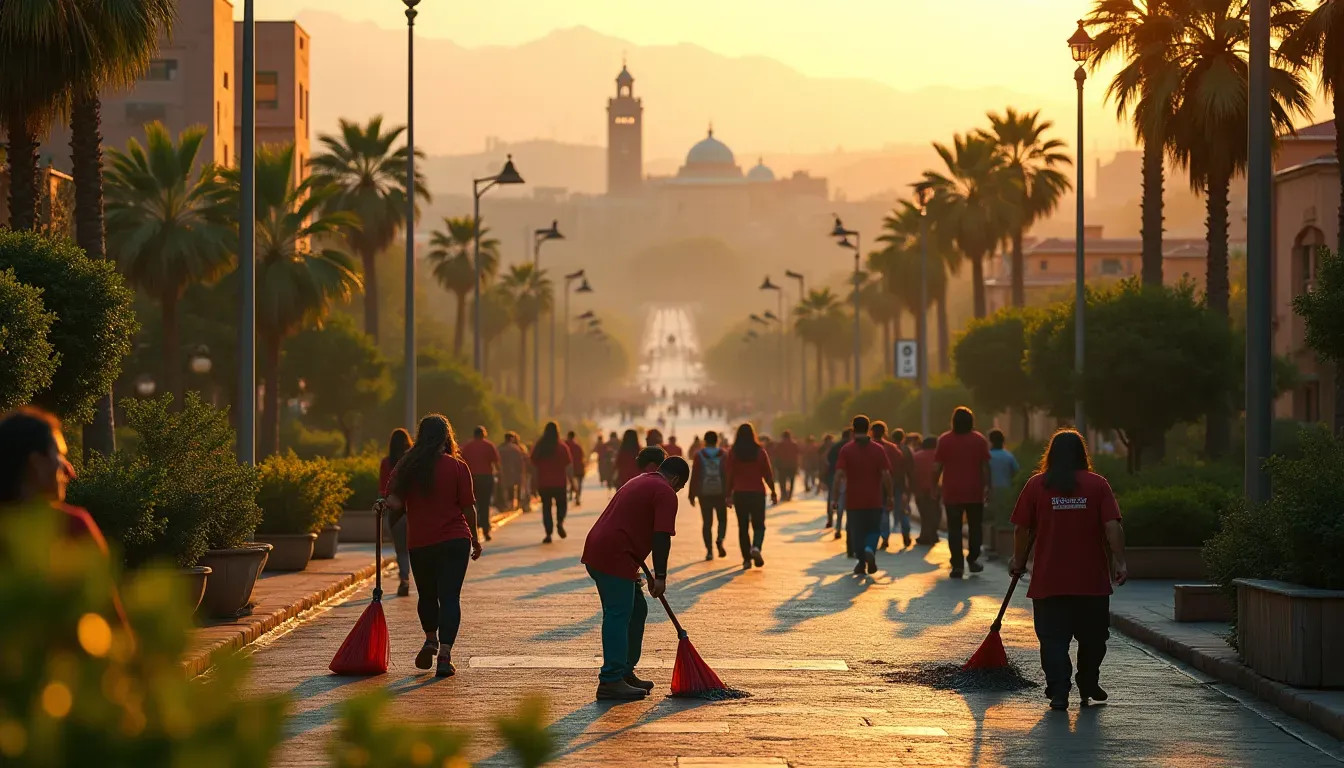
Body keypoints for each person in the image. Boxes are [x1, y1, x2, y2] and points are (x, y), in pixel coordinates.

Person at [1009, 429, 1128, 711]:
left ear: (1051, 454)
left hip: (1049, 581)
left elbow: (1021, 528)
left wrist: (1018, 560)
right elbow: (1113, 527)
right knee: (1094, 639)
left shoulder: (1037, 485)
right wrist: (1120, 561)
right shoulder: (1098, 485)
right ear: (1082, 454)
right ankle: (1088, 683)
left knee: (1052, 640)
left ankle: (1059, 691)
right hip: (1091, 582)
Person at [1, 407, 130, 632]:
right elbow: (113, 626)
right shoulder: (70, 527)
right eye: (58, 455)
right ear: (36, 464)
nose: (69, 470)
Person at [582, 456, 690, 701]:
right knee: (619, 613)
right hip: (613, 555)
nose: (677, 492)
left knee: (637, 609)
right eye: (680, 487)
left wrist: (646, 572)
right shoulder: (664, 492)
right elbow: (661, 536)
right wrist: (660, 577)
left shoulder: (643, 480)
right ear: (675, 479)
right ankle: (610, 680)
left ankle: (625, 671)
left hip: (611, 551)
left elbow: (635, 526)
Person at [385, 414, 483, 677]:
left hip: (421, 542)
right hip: (454, 541)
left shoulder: (407, 466)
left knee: (427, 595)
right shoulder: (458, 467)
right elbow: (468, 508)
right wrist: (475, 538)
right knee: (450, 597)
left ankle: (430, 638)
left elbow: (394, 502)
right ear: (446, 437)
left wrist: (383, 504)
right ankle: (445, 655)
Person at [934, 406, 992, 578]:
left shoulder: (944, 440)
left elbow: (937, 466)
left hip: (951, 492)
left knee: (954, 529)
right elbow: (985, 466)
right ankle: (973, 559)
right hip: (974, 491)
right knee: (975, 527)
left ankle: (957, 565)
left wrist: (932, 486)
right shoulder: (979, 440)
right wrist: (988, 486)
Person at [834, 415, 893, 575]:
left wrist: (834, 498)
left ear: (853, 429)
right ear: (868, 429)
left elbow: (839, 474)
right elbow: (886, 474)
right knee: (874, 529)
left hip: (853, 501)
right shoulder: (878, 449)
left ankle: (861, 561)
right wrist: (890, 495)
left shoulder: (846, 450)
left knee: (856, 532)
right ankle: (869, 550)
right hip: (874, 499)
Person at [725, 422, 777, 570]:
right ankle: (756, 547)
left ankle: (747, 560)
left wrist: (728, 494)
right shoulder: (760, 452)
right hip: (757, 493)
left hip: (740, 493)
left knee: (743, 527)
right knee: (759, 524)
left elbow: (729, 475)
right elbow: (768, 474)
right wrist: (773, 491)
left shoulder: (733, 452)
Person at [380, 428, 416, 596]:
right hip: (415, 510)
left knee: (401, 550)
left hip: (395, 511)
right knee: (417, 548)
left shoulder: (386, 463)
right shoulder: (413, 462)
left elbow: (383, 490)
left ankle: (404, 579)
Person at [687, 430, 730, 561]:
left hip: (704, 493)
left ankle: (709, 551)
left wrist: (691, 494)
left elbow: (695, 476)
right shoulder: (724, 454)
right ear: (717, 440)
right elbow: (728, 475)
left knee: (707, 522)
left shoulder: (699, 455)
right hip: (720, 493)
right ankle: (720, 539)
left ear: (704, 441)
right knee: (722, 519)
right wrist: (729, 493)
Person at [872, 422, 914, 549]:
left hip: (879, 485)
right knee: (902, 510)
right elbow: (906, 467)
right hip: (898, 482)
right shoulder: (893, 448)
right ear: (885, 432)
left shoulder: (870, 447)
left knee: (884, 511)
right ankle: (905, 534)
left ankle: (885, 538)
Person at [531, 422, 575, 544]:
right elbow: (568, 468)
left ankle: (548, 533)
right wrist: (572, 483)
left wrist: (533, 484)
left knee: (546, 508)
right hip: (559, 483)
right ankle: (560, 522)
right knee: (562, 505)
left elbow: (534, 468)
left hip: (543, 483)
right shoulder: (562, 447)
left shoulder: (539, 447)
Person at [460, 426, 501, 544]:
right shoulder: (489, 446)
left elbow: (461, 461)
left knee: (472, 504)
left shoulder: (467, 446)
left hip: (471, 478)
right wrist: (499, 474)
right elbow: (496, 462)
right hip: (486, 478)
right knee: (485, 504)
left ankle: (473, 530)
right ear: (484, 434)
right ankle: (486, 531)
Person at [912, 435, 941, 545]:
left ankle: (924, 535)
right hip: (936, 488)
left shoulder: (916, 456)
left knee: (924, 513)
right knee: (935, 511)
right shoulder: (938, 455)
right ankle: (932, 534)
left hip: (919, 488)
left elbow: (912, 473)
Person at [826, 429, 852, 546]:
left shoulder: (836, 446)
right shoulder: (851, 447)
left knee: (837, 502)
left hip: (835, 475)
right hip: (849, 477)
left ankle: (836, 525)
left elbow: (828, 460)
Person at [988, 428, 1020, 509]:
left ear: (990, 441)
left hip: (991, 490)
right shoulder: (1008, 456)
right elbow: (1016, 472)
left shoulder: (987, 456)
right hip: (1006, 489)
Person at [499, 432, 526, 511]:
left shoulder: (500, 448)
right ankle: (517, 504)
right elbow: (520, 461)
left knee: (507, 487)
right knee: (517, 487)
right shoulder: (516, 448)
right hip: (515, 470)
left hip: (504, 470)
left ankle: (508, 504)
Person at [773, 430, 800, 502]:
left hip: (782, 466)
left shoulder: (779, 445)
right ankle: (789, 495)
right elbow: (797, 455)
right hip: (792, 466)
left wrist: (775, 465)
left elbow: (776, 455)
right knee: (791, 481)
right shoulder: (794, 444)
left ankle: (783, 495)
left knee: (782, 481)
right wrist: (797, 465)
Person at [565, 430, 587, 506]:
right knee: (579, 484)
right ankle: (577, 497)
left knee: (571, 482)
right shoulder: (577, 446)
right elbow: (582, 456)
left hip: (569, 469)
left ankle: (571, 494)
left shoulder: (565, 445)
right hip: (579, 468)